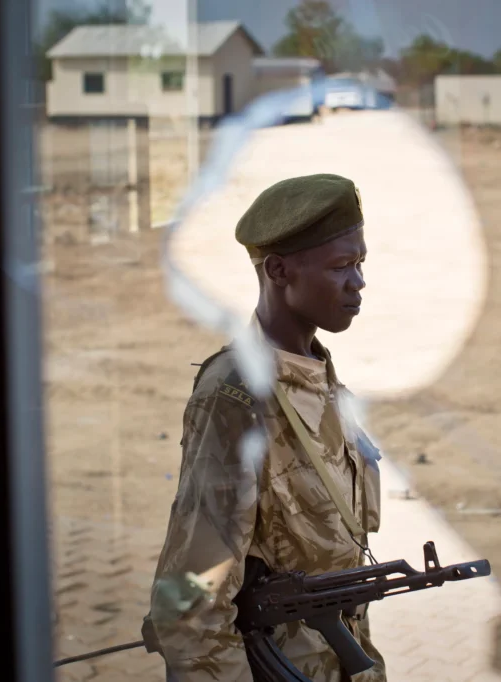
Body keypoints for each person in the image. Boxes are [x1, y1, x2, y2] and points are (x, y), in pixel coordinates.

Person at [149, 174, 386, 681]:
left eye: (360, 262)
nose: (358, 281)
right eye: (342, 266)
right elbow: (191, 602)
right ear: (278, 270)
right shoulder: (237, 397)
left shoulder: (314, 372)